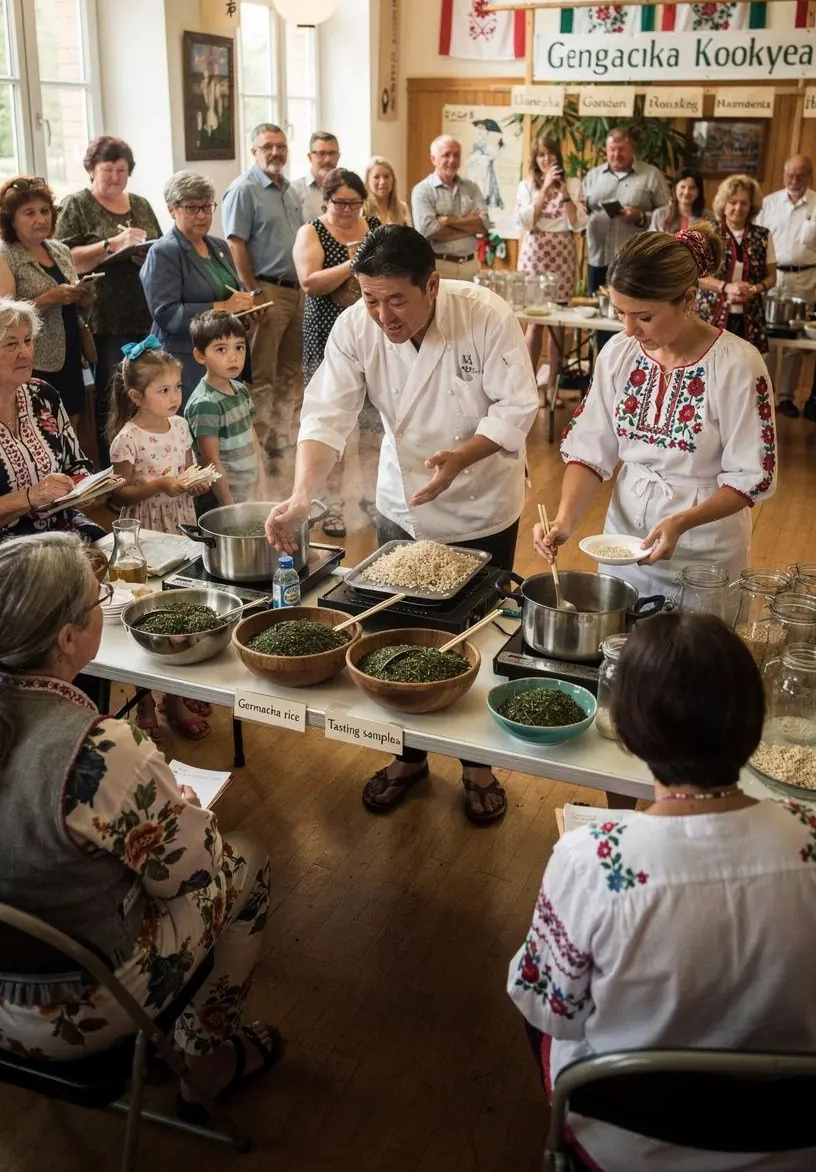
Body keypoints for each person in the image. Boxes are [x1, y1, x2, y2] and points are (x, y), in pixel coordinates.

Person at [508, 611, 816, 1172]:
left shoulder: (590, 860)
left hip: (625, 1145)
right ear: (757, 722)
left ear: (626, 730)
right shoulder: (810, 838)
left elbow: (548, 1007)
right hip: (791, 1143)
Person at [0, 532, 281, 1113]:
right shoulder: (99, 752)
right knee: (244, 859)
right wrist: (177, 801)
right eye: (97, 598)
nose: (104, 604)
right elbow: (193, 869)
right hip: (72, 1009)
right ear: (68, 637)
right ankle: (204, 1059)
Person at [267, 225, 539, 824]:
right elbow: (327, 413)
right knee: (398, 632)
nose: (383, 315)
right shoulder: (354, 327)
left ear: (432, 285)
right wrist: (302, 494)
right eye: (370, 298)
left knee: (470, 633)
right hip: (405, 499)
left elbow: (518, 406)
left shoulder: (484, 315)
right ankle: (409, 756)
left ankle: (476, 764)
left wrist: (460, 458)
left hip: (479, 498)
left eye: (397, 300)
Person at [534, 227, 777, 598]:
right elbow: (590, 448)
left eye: (644, 317)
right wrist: (565, 518)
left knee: (690, 651)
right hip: (623, 538)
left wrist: (682, 521)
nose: (629, 330)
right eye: (620, 314)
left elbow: (751, 476)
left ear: (688, 300)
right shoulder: (619, 354)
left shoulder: (737, 364)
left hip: (703, 550)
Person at [109, 341, 217, 741]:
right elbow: (117, 495)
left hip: (179, 527)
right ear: (137, 396)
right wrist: (158, 485)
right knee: (148, 615)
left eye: (177, 387)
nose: (174, 397)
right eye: (164, 390)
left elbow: (186, 475)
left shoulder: (181, 426)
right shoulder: (128, 439)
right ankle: (143, 701)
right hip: (146, 536)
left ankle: (174, 698)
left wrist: (194, 483)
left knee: (181, 610)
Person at [56, 136, 162, 462]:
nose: (116, 176)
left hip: (145, 313)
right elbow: (63, 258)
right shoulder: (78, 205)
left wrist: (148, 255)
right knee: (114, 396)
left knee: (151, 391)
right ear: (91, 169)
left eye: (122, 169)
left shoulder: (141, 204)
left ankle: (151, 466)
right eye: (108, 169)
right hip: (103, 318)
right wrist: (111, 244)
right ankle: (117, 476)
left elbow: (160, 245)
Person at [292, 168, 381, 540]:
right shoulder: (312, 231)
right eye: (340, 202)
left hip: (372, 332)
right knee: (334, 427)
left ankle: (374, 499)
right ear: (326, 200)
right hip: (325, 332)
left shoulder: (375, 226)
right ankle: (331, 506)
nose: (348, 210)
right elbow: (310, 282)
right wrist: (355, 261)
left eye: (355, 202)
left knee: (374, 424)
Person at [222, 123, 305, 469]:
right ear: (254, 151)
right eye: (267, 146)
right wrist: (251, 290)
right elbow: (235, 243)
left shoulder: (288, 189)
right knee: (263, 377)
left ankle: (279, 441)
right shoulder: (244, 190)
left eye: (281, 146)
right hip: (265, 290)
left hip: (296, 289)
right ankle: (255, 447)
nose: (275, 152)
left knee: (291, 372)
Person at [140, 172, 255, 404]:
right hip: (186, 361)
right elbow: (167, 314)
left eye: (207, 206)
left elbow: (233, 294)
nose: (202, 215)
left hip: (224, 356)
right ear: (172, 210)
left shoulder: (219, 246)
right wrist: (223, 307)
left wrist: (246, 309)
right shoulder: (164, 251)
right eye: (192, 208)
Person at [0, 298, 103, 541]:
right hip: (10, 544)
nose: (25, 352)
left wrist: (87, 487)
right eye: (11, 344)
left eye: (27, 341)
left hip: (61, 529)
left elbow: (77, 464)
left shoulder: (43, 395)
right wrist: (30, 497)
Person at [0, 175, 95, 426]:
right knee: (39, 428)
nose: (41, 219)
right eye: (29, 213)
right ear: (11, 220)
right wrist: (48, 299)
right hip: (31, 358)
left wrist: (83, 297)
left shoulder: (60, 249)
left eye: (44, 211)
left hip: (70, 352)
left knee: (69, 424)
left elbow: (73, 305)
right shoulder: (5, 255)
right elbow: (5, 317)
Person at [515, 137, 586, 407]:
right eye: (541, 155)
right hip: (535, 252)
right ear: (535, 159)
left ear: (558, 156)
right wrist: (544, 189)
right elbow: (524, 221)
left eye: (550, 154)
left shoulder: (575, 183)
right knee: (534, 323)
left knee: (558, 324)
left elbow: (578, 223)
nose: (546, 159)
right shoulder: (526, 186)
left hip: (563, 252)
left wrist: (565, 192)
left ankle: (552, 389)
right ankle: (529, 389)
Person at [759, 155, 816, 418]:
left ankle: (786, 398)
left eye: (800, 175)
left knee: (794, 343)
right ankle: (765, 396)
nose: (794, 181)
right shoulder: (769, 203)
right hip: (772, 277)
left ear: (809, 177)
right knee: (767, 339)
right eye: (790, 175)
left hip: (804, 279)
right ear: (784, 175)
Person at [579, 129, 670, 294]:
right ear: (606, 150)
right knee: (597, 310)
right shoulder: (593, 176)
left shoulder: (652, 175)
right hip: (598, 257)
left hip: (634, 262)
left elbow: (668, 216)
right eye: (612, 149)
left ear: (632, 149)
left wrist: (641, 217)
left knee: (631, 312)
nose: (616, 154)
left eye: (621, 149)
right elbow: (581, 212)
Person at [185, 311, 261, 508]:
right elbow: (211, 459)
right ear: (200, 356)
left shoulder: (241, 390)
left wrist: (262, 480)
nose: (233, 357)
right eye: (221, 350)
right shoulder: (205, 403)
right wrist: (229, 507)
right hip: (221, 498)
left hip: (247, 488)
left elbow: (251, 434)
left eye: (239, 347)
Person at [698, 174, 776, 356]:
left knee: (747, 367)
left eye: (744, 203)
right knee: (709, 363)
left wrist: (754, 289)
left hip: (750, 317)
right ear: (723, 204)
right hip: (711, 314)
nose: (738, 208)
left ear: (751, 207)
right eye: (733, 202)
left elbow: (772, 277)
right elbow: (698, 274)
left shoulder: (763, 236)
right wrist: (726, 287)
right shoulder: (709, 232)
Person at [411, 135, 487, 281]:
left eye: (456, 155)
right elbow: (426, 230)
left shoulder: (472, 188)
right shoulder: (422, 190)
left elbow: (484, 225)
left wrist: (447, 221)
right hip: (439, 267)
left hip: (471, 266)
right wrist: (469, 224)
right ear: (434, 159)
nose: (452, 160)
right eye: (446, 155)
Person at [289, 131, 340, 223]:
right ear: (309, 157)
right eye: (321, 153)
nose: (327, 159)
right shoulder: (294, 191)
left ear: (338, 156)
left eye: (332, 153)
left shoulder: (347, 189)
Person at [650, 166, 712, 233]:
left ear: (698, 191)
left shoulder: (709, 218)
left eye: (692, 188)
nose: (686, 192)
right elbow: (652, 242)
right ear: (675, 189)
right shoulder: (659, 215)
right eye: (682, 187)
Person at [363, 156, 411, 226]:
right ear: (367, 181)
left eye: (386, 177)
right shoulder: (362, 210)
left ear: (393, 180)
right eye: (376, 177)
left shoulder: (403, 209)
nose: (382, 182)